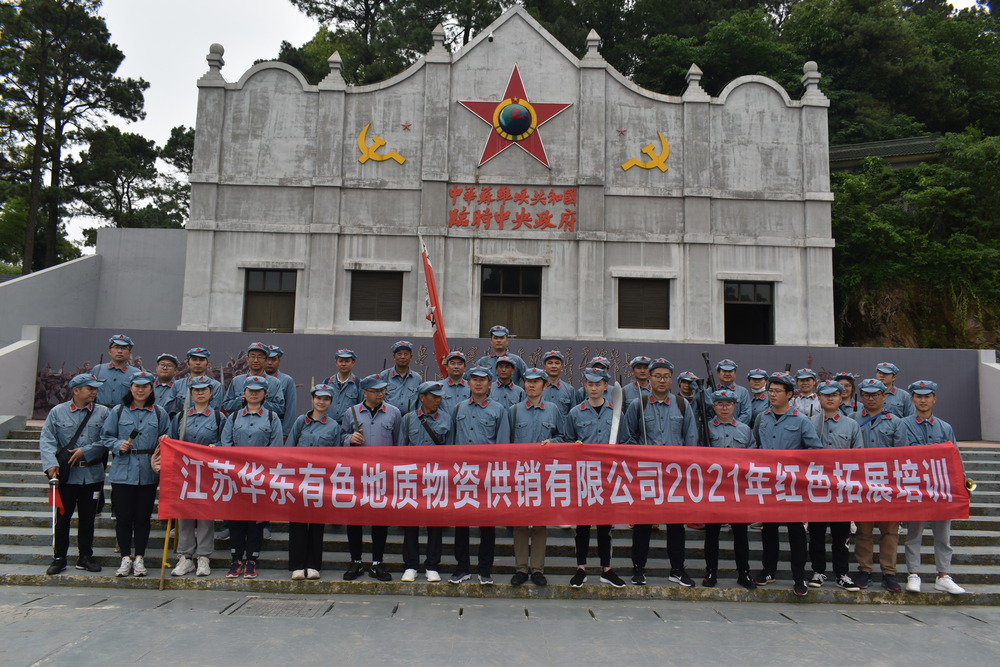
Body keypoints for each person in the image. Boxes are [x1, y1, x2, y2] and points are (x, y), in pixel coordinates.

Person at [622, 358, 698, 587]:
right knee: (643, 524)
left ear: (671, 379)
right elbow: (627, 438)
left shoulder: (682, 404)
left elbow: (691, 439)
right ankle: (638, 569)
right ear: (649, 378)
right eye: (657, 376)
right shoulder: (639, 404)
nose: (661, 380)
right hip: (647, 474)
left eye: (666, 376)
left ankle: (677, 569)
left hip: (674, 476)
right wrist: (642, 455)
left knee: (676, 525)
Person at [753, 373, 824, 596]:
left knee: (796, 532)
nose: (772, 395)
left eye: (777, 391)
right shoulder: (762, 418)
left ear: (790, 394)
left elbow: (815, 451)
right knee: (769, 529)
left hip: (793, 486)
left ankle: (798, 577)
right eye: (770, 391)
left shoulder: (801, 420)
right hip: (768, 484)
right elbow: (755, 447)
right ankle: (768, 570)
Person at [562, 367, 626, 588]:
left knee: (605, 527)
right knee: (582, 526)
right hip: (584, 476)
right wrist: (574, 446)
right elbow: (566, 440)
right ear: (585, 386)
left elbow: (626, 442)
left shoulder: (615, 413)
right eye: (590, 384)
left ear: (605, 387)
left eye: (598, 384)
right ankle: (581, 568)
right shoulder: (575, 413)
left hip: (608, 477)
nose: (594, 388)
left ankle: (606, 569)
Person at [498, 367, 563, 586]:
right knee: (520, 523)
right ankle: (520, 568)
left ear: (545, 385)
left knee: (540, 524)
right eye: (528, 382)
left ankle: (537, 569)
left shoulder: (553, 410)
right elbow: (505, 442)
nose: (531, 385)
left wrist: (552, 443)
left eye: (536, 382)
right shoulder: (514, 410)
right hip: (520, 473)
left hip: (544, 474)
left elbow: (563, 436)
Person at [39, 374, 110, 575]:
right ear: (76, 390)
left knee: (88, 519)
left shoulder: (103, 412)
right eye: (90, 388)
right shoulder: (58, 412)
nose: (94, 392)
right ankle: (59, 557)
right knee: (63, 518)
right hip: (67, 475)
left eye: (96, 389)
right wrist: (51, 464)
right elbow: (47, 439)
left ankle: (85, 556)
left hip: (92, 474)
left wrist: (86, 451)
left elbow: (107, 438)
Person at [900, 380, 965, 595]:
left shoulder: (945, 427)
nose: (923, 400)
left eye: (927, 396)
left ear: (934, 399)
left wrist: (961, 484)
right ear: (912, 399)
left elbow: (955, 457)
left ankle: (943, 575)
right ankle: (913, 574)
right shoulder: (903, 425)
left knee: (943, 535)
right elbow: (899, 455)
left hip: (941, 489)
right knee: (914, 533)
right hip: (916, 487)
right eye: (919, 396)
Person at [102, 371, 169, 578]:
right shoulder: (118, 411)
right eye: (137, 386)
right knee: (123, 518)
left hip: (147, 472)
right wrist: (117, 444)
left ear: (151, 389)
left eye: (145, 386)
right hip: (123, 470)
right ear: (131, 388)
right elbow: (105, 436)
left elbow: (167, 437)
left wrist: (165, 441)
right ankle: (125, 557)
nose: (140, 390)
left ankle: (139, 557)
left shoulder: (159, 412)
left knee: (143, 518)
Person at [220, 375, 283, 578]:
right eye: (250, 390)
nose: (254, 394)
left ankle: (252, 560)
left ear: (265, 394)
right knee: (236, 519)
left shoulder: (272, 418)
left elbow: (275, 447)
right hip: (236, 476)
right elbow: (226, 444)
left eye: (258, 391)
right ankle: (236, 559)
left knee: (256, 521)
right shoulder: (234, 417)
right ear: (244, 393)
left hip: (260, 477)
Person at [448, 366, 506, 585]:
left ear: (490, 384)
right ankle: (462, 567)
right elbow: (452, 441)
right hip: (463, 474)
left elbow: (502, 444)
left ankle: (484, 569)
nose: (478, 383)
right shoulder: (458, 408)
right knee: (461, 524)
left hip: (487, 475)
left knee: (487, 525)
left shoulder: (499, 410)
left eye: (483, 380)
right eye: (474, 379)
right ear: (468, 383)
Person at [341, 374, 402, 582]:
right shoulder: (351, 412)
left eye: (382, 390)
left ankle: (377, 562)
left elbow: (397, 443)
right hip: (357, 474)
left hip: (382, 474)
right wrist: (350, 439)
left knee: (380, 519)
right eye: (376, 391)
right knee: (354, 519)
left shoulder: (393, 412)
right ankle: (356, 561)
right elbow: (341, 436)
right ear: (365, 392)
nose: (380, 394)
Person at [806, 381, 863, 592]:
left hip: (842, 489)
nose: (830, 398)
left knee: (841, 534)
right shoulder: (809, 423)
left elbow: (859, 457)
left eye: (834, 395)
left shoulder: (852, 425)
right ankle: (818, 571)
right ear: (818, 398)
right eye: (825, 395)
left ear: (841, 398)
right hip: (817, 488)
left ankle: (842, 574)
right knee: (817, 534)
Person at [850, 378, 904, 592]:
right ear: (861, 396)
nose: (871, 398)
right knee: (863, 531)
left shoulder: (896, 422)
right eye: (867, 394)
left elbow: (902, 455)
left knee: (889, 531)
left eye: (875, 394)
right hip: (861, 484)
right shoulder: (852, 419)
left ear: (883, 396)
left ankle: (889, 572)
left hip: (888, 485)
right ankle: (865, 569)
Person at [284, 384, 341, 581]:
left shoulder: (334, 426)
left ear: (330, 402)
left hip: (320, 480)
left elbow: (336, 456)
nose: (321, 402)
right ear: (312, 399)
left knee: (317, 524)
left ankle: (313, 565)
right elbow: (289, 449)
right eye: (318, 398)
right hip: (299, 479)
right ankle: (297, 566)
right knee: (297, 523)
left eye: (326, 399)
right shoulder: (301, 421)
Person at [167, 376, 222, 578]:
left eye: (204, 390)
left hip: (207, 473)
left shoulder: (218, 417)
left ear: (210, 392)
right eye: (196, 390)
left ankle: (204, 557)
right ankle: (185, 557)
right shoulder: (181, 417)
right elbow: (171, 440)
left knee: (206, 515)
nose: (200, 393)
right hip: (185, 472)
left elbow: (225, 442)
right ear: (190, 393)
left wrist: (217, 448)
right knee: (185, 514)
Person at [702, 389, 755, 590]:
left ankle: (744, 573)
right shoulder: (705, 429)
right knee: (712, 534)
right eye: (720, 404)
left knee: (741, 534)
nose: (724, 408)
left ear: (735, 406)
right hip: (713, 489)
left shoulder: (745, 429)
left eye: (729, 404)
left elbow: (753, 456)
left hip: (737, 489)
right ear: (713, 406)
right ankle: (711, 572)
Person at [400, 381, 451, 583]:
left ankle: (432, 565)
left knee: (435, 524)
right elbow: (400, 448)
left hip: (436, 476)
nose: (438, 400)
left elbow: (451, 449)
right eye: (434, 396)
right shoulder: (408, 419)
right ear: (422, 397)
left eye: (440, 397)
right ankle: (410, 565)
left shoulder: (447, 418)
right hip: (413, 477)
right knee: (410, 523)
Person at [223, 342, 285, 418]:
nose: (256, 360)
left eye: (260, 357)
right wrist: (241, 401)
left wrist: (260, 401)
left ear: (266, 360)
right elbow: (226, 406)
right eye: (252, 356)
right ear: (247, 359)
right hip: (240, 424)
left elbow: (280, 409)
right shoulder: (237, 381)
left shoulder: (275, 383)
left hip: (265, 424)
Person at [94, 334, 140, 407]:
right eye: (116, 347)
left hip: (124, 411)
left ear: (129, 353)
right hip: (100, 411)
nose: (119, 351)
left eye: (124, 348)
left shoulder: (136, 373)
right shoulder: (98, 369)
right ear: (109, 351)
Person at [379, 340, 422, 414]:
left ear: (411, 357)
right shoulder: (384, 375)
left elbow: (420, 401)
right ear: (394, 357)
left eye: (406, 354)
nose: (402, 357)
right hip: (389, 417)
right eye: (399, 354)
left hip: (410, 418)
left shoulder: (417, 378)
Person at [265, 345, 297, 437]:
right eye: (267, 359)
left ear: (279, 361)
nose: (270, 363)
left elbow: (290, 408)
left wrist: (285, 433)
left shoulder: (287, 380)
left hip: (277, 428)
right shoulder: (254, 379)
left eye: (273, 359)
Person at [323, 349, 362, 422]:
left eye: (347, 361)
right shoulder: (327, 383)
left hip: (349, 427)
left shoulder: (358, 384)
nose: (343, 364)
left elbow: (362, 409)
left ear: (353, 363)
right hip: (328, 426)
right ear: (336, 363)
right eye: (340, 361)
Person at [712, 359, 752, 424]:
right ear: (718, 373)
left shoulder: (743, 392)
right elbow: (707, 414)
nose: (727, 374)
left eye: (730, 371)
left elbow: (746, 414)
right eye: (724, 371)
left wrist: (733, 426)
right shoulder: (710, 391)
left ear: (735, 373)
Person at [540, 349, 575, 415]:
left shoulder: (569, 390)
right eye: (550, 363)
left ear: (562, 368)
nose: (554, 366)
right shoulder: (538, 388)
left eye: (557, 363)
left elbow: (573, 416)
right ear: (544, 368)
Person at [439, 351, 470, 416]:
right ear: (446, 367)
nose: (456, 366)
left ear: (464, 367)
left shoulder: (471, 387)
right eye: (452, 363)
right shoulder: (438, 387)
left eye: (460, 364)